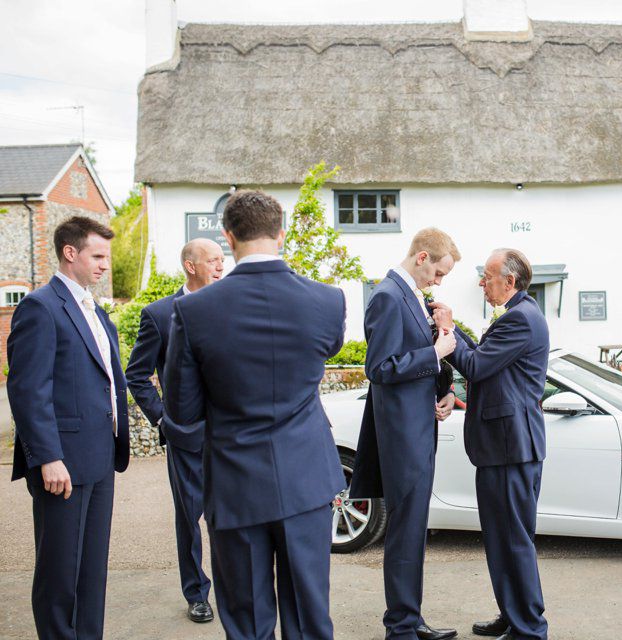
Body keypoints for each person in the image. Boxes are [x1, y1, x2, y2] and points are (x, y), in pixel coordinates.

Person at [163, 190, 346, 639]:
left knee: (246, 619)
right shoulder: (328, 301)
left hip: (234, 479)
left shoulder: (192, 310)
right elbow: (326, 351)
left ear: (227, 237)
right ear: (281, 234)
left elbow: (181, 409)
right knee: (308, 614)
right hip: (306, 476)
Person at [7, 215, 130, 639]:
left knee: (91, 572)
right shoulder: (40, 307)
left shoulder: (95, 311)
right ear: (70, 253)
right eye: (97, 256)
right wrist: (48, 457)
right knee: (60, 574)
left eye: (106, 257)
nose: (104, 265)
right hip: (62, 464)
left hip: (99, 457)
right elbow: (27, 389)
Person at [349, 228, 461, 640]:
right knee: (404, 532)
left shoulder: (411, 296)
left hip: (418, 430)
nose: (439, 280)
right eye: (439, 270)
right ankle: (399, 628)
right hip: (400, 438)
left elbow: (418, 363)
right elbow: (379, 369)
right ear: (421, 257)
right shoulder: (386, 296)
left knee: (414, 531)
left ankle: (409, 618)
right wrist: (435, 352)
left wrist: (444, 387)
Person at [432, 249, 549, 640]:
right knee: (501, 539)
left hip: (511, 447)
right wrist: (452, 329)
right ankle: (512, 613)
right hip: (503, 445)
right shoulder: (518, 314)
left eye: (488, 276)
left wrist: (448, 332)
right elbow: (484, 357)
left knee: (513, 540)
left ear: (509, 282)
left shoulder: (522, 319)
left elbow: (478, 365)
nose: (482, 282)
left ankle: (529, 628)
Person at [125, 238, 224, 623]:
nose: (220, 266)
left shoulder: (228, 306)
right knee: (190, 518)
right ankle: (196, 592)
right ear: (190, 265)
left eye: (222, 259)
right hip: (185, 437)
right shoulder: (158, 313)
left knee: (231, 514)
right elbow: (136, 375)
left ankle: (235, 585)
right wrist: (164, 419)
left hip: (231, 434)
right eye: (212, 260)